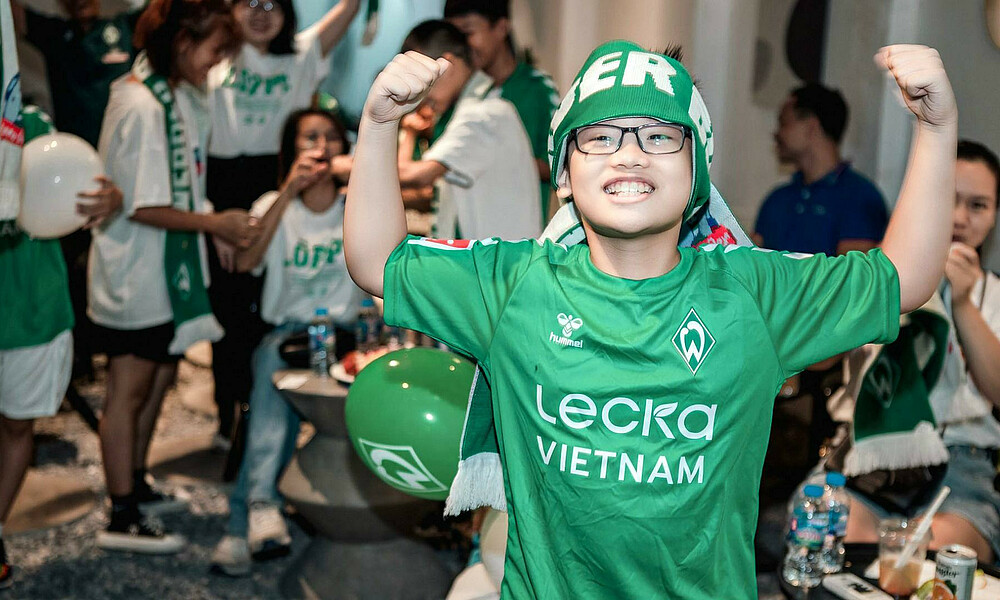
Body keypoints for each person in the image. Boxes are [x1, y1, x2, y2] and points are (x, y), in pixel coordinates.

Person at [344, 40, 957, 598]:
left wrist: (936, 127)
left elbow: (902, 279)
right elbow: (378, 263)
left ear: (698, 167)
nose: (629, 154)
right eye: (600, 136)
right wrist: (376, 125)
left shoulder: (752, 294)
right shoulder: (513, 285)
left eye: (660, 136)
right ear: (564, 169)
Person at [87, 0, 251, 553]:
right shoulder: (139, 104)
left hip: (168, 268)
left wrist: (213, 231)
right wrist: (216, 224)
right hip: (136, 269)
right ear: (182, 44)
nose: (218, 64)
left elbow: (183, 183)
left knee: (158, 378)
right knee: (127, 390)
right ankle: (121, 512)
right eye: (214, 52)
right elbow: (141, 205)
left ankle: (134, 479)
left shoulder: (176, 95)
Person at [210, 108, 361, 576]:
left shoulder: (357, 203)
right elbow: (246, 261)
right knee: (274, 373)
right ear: (291, 151)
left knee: (273, 383)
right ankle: (258, 508)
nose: (320, 147)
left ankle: (247, 518)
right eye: (308, 138)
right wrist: (286, 195)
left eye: (331, 138)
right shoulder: (271, 204)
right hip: (288, 333)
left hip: (347, 334)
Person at [204, 0, 359, 451]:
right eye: (248, 2)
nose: (260, 12)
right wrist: (212, 218)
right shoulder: (217, 54)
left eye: (271, 3)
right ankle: (231, 415)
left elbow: (350, 10)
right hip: (225, 187)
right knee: (230, 315)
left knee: (272, 308)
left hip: (283, 179)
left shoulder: (302, 54)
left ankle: (278, 415)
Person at [841, 141, 1000, 564]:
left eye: (978, 205)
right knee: (836, 535)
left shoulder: (994, 296)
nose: (960, 218)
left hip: (960, 469)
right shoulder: (883, 275)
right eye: (949, 199)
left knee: (934, 557)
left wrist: (964, 303)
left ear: (994, 216)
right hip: (874, 460)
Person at [13, 0, 143, 380]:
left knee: (115, 261)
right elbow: (14, 14)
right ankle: (79, 357)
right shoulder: (54, 33)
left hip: (122, 170)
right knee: (70, 264)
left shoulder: (126, 26)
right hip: (66, 175)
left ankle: (115, 347)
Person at [394, 19, 540, 241]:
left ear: (446, 65)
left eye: (421, 79)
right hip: (495, 262)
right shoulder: (477, 111)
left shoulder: (484, 114)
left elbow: (414, 175)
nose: (420, 94)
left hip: (501, 267)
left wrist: (339, 167)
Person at [444, 0, 559, 220]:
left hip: (518, 236)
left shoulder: (537, 88)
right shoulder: (460, 89)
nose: (462, 46)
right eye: (453, 37)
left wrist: (495, 155)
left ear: (501, 28)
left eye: (467, 32)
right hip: (466, 237)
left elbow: (557, 166)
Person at [755, 83, 888, 256]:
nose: (776, 133)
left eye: (783, 122)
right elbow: (750, 267)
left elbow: (852, 278)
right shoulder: (776, 199)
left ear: (811, 126)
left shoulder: (860, 198)